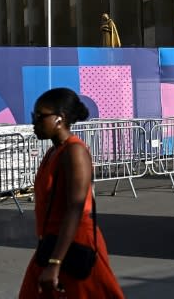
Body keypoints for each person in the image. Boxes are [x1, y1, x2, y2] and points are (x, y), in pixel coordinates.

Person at [19, 88, 124, 299]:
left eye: (40, 116)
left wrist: (55, 263)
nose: (34, 122)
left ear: (60, 119)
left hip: (75, 245)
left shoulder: (74, 151)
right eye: (33, 116)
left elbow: (75, 208)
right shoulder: (53, 152)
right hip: (51, 244)